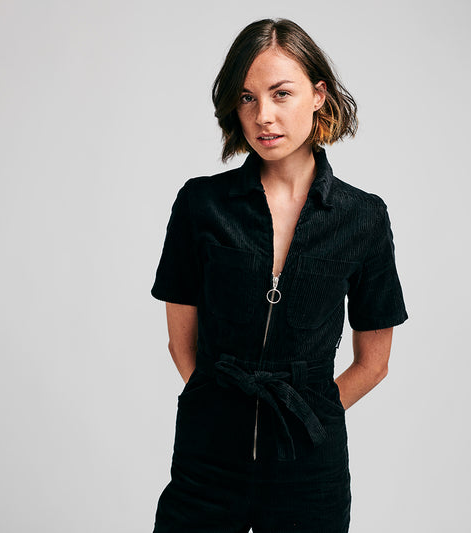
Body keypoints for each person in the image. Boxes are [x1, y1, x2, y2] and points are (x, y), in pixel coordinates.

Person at [150, 17, 408, 533]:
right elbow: (182, 344)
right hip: (207, 459)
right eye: (247, 98)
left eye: (281, 93)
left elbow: (373, 363)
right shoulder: (201, 205)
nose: (263, 116)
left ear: (318, 96)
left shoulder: (362, 217)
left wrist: (306, 414)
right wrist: (221, 411)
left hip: (309, 469)